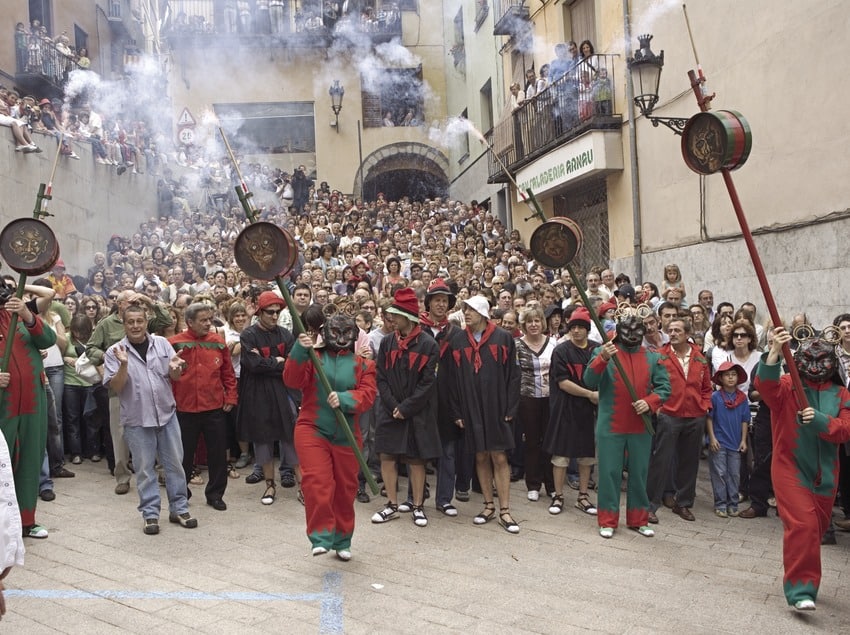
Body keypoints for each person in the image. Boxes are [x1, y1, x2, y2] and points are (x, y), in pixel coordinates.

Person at [754, 327, 850, 611]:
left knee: (816, 529)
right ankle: (800, 590)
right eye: (809, 359)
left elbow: (845, 429)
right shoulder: (787, 386)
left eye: (823, 360)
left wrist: (820, 420)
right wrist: (773, 352)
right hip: (789, 468)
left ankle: (804, 579)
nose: (816, 366)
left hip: (827, 474)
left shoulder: (842, 394)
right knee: (803, 526)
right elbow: (766, 387)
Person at [284, 312, 377, 560]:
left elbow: (368, 395)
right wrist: (299, 351)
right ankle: (321, 535)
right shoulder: (314, 358)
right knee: (317, 481)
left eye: (347, 333)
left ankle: (342, 539)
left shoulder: (365, 365)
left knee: (346, 489)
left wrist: (346, 399)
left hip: (347, 434)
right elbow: (292, 380)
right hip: (312, 429)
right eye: (335, 333)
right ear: (325, 333)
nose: (342, 338)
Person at [102, 304, 197, 535]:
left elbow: (173, 375)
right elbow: (115, 386)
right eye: (130, 322)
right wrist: (124, 364)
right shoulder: (115, 351)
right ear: (124, 324)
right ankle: (151, 514)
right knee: (145, 470)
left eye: (139, 321)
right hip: (137, 420)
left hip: (167, 415)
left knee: (175, 465)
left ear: (146, 322)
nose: (135, 326)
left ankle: (179, 508)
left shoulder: (162, 344)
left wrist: (176, 368)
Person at [584, 313, 670, 539]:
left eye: (637, 332)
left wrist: (650, 402)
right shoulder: (604, 352)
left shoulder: (652, 357)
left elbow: (664, 388)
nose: (632, 336)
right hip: (610, 425)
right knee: (609, 473)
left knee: (639, 474)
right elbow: (589, 381)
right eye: (627, 331)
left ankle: (639, 519)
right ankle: (608, 520)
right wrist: (602, 358)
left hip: (640, 426)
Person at [445, 296, 521, 534]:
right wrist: (456, 410)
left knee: (499, 456)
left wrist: (511, 407)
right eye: (465, 309)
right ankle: (488, 506)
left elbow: (514, 375)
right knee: (480, 456)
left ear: (483, 313)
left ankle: (505, 509)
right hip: (470, 407)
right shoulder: (457, 340)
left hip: (497, 406)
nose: (466, 313)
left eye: (471, 310)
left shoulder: (503, 338)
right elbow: (451, 378)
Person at [371, 288, 441, 527]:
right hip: (390, 410)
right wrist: (393, 405)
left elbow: (428, 383)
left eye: (396, 315)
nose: (391, 319)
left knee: (416, 459)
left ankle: (418, 506)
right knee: (387, 456)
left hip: (417, 412)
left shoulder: (429, 345)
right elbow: (381, 376)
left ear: (408, 318)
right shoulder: (388, 342)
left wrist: (406, 408)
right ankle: (391, 504)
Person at [169, 303, 237, 512]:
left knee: (217, 454)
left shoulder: (218, 342)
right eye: (203, 320)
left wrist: (231, 396)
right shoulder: (173, 343)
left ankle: (216, 494)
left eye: (210, 319)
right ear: (190, 322)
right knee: (183, 455)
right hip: (184, 407)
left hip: (214, 406)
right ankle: (182, 494)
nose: (209, 323)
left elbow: (228, 372)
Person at [0, 282, 55, 540]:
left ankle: (26, 520)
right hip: (4, 405)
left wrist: (27, 314)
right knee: (3, 464)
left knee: (31, 461)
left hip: (33, 402)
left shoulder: (18, 313)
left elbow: (48, 339)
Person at [647, 318, 712, 523]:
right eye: (670, 330)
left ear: (687, 333)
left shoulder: (700, 357)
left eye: (677, 330)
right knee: (661, 461)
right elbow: (650, 385)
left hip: (695, 416)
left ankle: (683, 503)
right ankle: (650, 505)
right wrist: (657, 407)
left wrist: (704, 406)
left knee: (690, 462)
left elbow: (707, 388)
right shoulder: (659, 356)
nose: (672, 333)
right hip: (669, 415)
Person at [236, 291, 298, 506]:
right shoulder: (248, 335)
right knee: (262, 439)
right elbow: (252, 364)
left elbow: (290, 364)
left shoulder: (285, 334)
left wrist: (268, 362)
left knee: (290, 437)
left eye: (277, 312)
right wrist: (277, 362)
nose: (274, 316)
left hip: (282, 391)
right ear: (260, 312)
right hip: (258, 393)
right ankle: (270, 485)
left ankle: (303, 487)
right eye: (270, 312)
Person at [543, 307, 598, 516]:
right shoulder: (561, 350)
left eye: (580, 327)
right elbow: (563, 382)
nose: (576, 331)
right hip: (564, 410)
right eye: (573, 327)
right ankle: (558, 495)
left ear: (587, 329)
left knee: (586, 456)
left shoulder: (596, 349)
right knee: (561, 456)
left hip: (588, 411)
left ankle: (583, 496)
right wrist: (590, 395)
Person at [515, 306, 557, 502]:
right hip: (527, 399)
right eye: (529, 321)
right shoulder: (516, 345)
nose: (533, 325)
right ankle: (533, 483)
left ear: (543, 323)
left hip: (550, 398)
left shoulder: (553, 344)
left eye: (537, 321)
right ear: (523, 325)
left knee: (549, 441)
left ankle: (551, 485)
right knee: (531, 441)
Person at [706, 362, 749, 518]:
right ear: (721, 378)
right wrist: (711, 438)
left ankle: (733, 503)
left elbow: (745, 420)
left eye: (733, 375)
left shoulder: (742, 398)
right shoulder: (715, 397)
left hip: (735, 442)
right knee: (719, 472)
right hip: (719, 441)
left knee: (734, 474)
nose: (730, 378)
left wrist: (743, 440)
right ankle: (720, 504)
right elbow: (709, 418)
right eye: (727, 375)